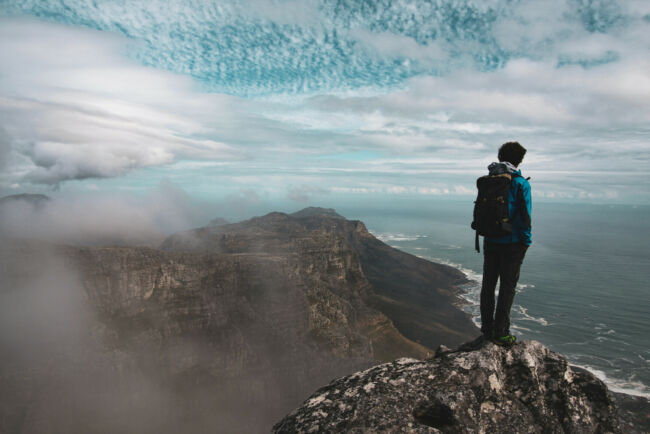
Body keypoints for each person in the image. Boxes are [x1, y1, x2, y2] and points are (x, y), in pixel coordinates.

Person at [480, 142, 532, 346]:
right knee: (507, 287)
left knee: (488, 284)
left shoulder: (489, 180)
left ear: (500, 156)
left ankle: (486, 329)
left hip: (490, 239)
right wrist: (526, 242)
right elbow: (524, 218)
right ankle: (501, 332)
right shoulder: (520, 183)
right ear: (519, 160)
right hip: (512, 243)